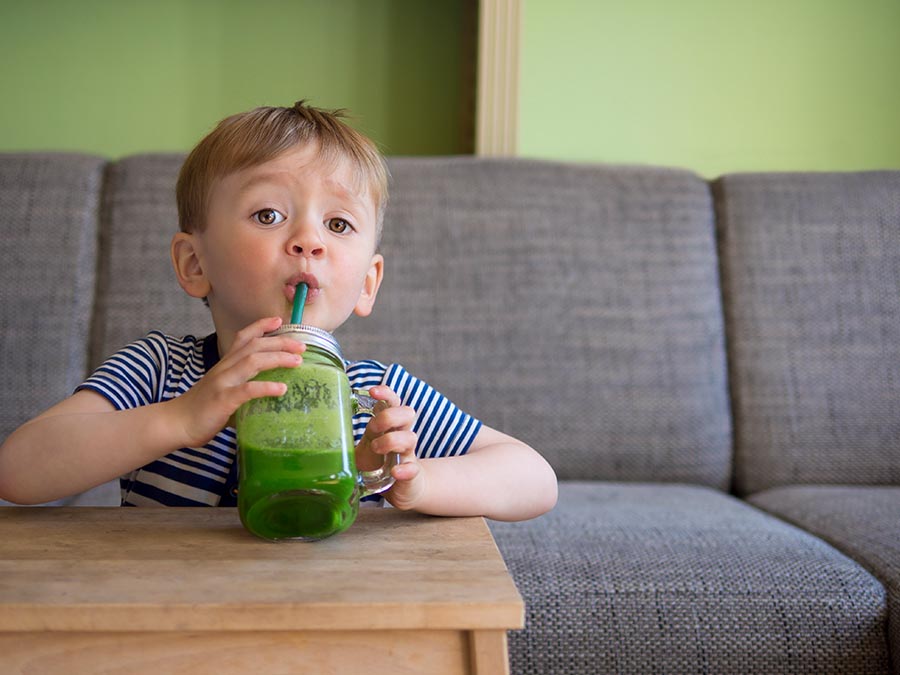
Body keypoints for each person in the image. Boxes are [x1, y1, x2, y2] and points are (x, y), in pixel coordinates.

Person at [0, 101, 558, 520]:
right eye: (268, 215)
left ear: (367, 283)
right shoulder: (161, 372)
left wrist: (415, 481)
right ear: (194, 263)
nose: (308, 240)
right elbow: (19, 470)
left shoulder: (371, 393)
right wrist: (178, 419)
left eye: (338, 225)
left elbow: (534, 478)